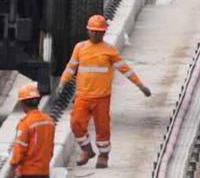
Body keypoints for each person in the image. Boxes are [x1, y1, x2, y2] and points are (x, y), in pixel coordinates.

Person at [59, 14, 152, 169]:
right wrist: (63, 82)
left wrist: (140, 86)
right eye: (92, 31)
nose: (95, 34)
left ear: (103, 32)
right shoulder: (80, 48)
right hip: (83, 96)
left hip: (101, 98)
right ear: (88, 31)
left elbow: (125, 69)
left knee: (102, 128)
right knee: (76, 123)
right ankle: (87, 150)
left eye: (98, 31)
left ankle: (103, 156)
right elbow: (71, 67)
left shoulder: (109, 51)